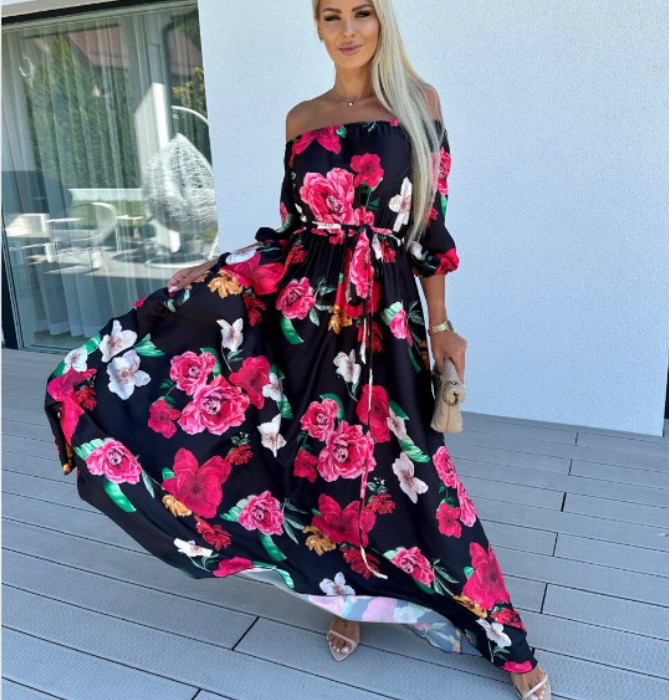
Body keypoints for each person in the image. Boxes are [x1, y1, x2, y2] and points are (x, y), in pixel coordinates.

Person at [44, 1, 551, 698]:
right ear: (317, 26)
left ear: (382, 21)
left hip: (384, 317)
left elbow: (430, 227)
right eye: (331, 15)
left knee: (418, 472)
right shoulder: (301, 118)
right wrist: (218, 269)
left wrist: (441, 327)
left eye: (362, 12)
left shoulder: (418, 103)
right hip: (303, 319)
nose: (348, 29)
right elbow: (291, 236)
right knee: (315, 466)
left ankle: (505, 639)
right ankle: (347, 598)